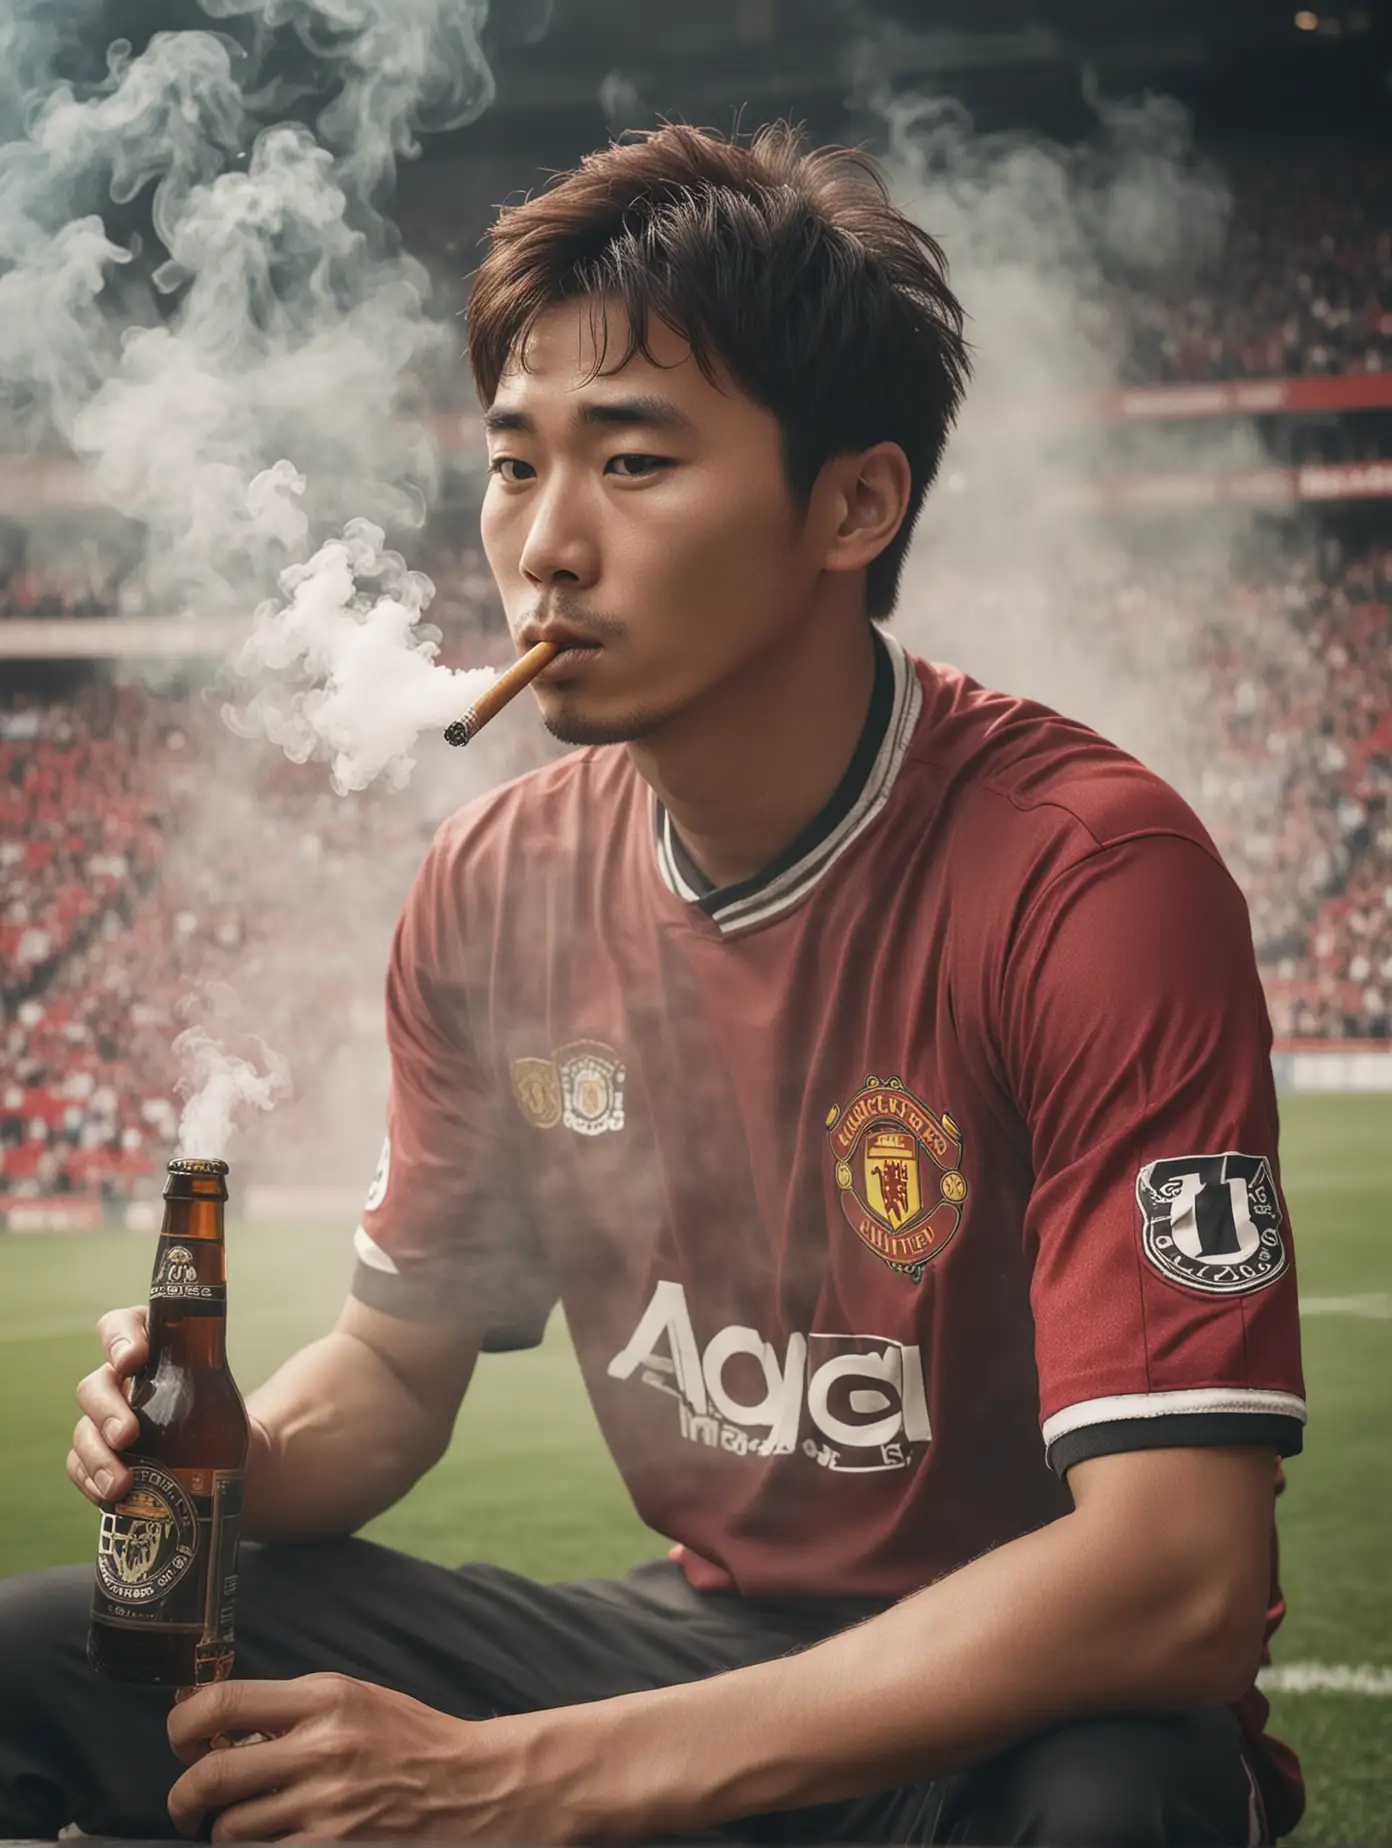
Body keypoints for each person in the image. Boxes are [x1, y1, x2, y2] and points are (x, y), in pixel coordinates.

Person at [0, 120, 1306, 1846]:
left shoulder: (1089, 878)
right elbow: (391, 1380)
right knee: (41, 1649)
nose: (544, 545)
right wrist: (236, 1445)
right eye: (512, 462)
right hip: (691, 1649)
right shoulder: (494, 883)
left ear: (855, 501)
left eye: (630, 464)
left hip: (1004, 1691)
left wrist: (514, 1781)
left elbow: (1179, 1582)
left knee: (1121, 1796)